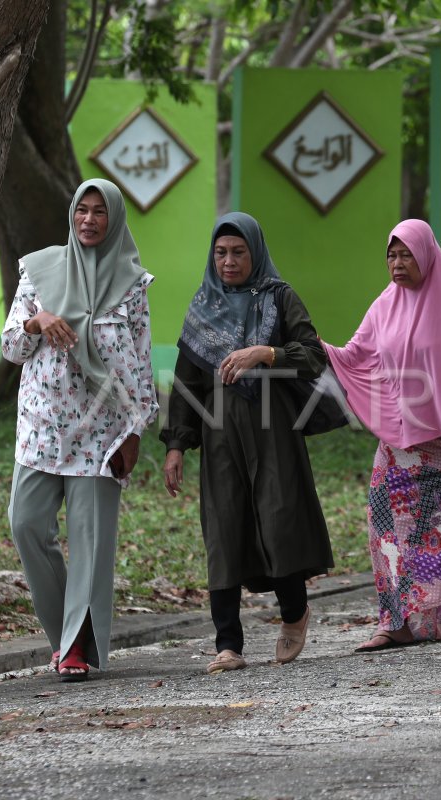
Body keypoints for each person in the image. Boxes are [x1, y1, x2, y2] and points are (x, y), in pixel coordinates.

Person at [323, 219, 441, 651]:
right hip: (402, 440)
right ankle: (395, 620)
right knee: (385, 518)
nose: (396, 263)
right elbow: (355, 353)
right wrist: (312, 346)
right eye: (391, 255)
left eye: (405, 254)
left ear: (426, 255)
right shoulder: (384, 306)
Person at [161, 212, 334, 673]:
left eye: (238, 251)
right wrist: (176, 445)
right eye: (221, 252)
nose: (229, 261)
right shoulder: (203, 305)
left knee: (278, 518)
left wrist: (266, 352)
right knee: (224, 528)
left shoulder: (279, 297)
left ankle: (294, 613)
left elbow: (314, 355)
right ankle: (228, 644)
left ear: (255, 252)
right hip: (220, 432)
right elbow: (187, 383)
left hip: (272, 425)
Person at [3, 179, 157, 682]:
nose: (89, 220)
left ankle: (75, 647)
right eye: (81, 211)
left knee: (90, 544)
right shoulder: (39, 271)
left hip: (101, 432)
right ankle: (65, 636)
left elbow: (138, 359)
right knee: (26, 524)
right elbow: (10, 346)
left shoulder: (132, 285)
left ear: (114, 220)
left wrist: (136, 429)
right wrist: (36, 321)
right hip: (43, 426)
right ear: (71, 215)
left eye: (99, 212)